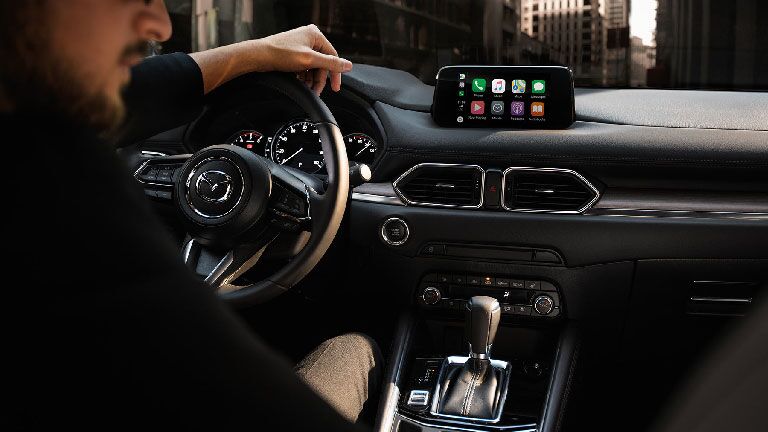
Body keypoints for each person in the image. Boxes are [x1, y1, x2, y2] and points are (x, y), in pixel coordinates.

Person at [2, 1, 380, 430]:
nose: (160, 27)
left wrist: (256, 53)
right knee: (356, 349)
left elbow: (122, 91)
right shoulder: (52, 181)